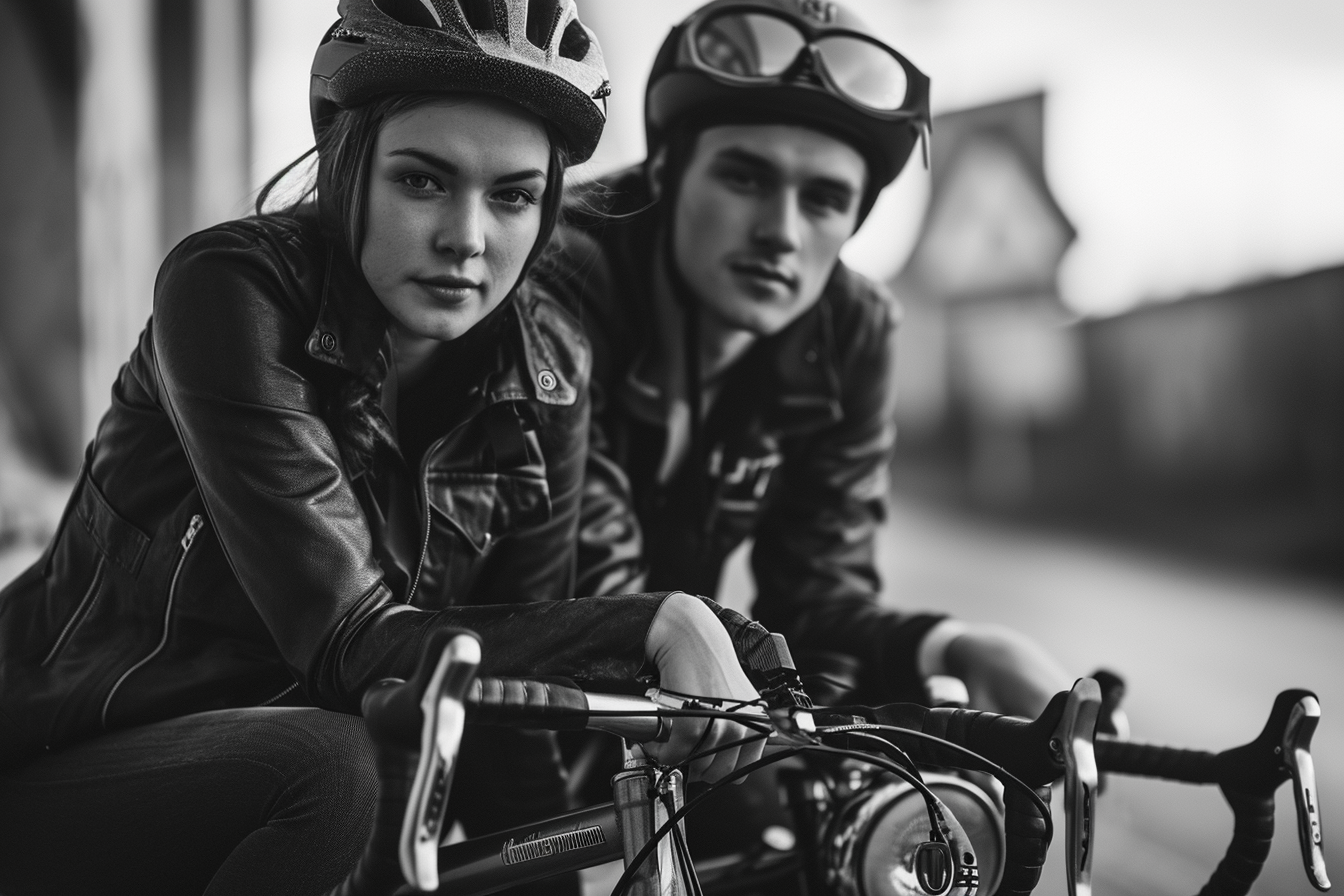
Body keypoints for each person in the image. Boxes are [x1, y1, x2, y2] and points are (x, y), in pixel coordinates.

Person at [0, 2, 765, 894]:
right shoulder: (229, 291)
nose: (467, 240)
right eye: (423, 182)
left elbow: (501, 728)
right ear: (348, 166)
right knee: (335, 766)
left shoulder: (550, 368)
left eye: (513, 195)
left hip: (292, 818)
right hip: (57, 761)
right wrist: (659, 620)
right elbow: (350, 642)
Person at [543, 0, 1072, 718]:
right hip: (509, 693)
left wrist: (947, 646)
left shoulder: (853, 325)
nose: (782, 233)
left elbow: (818, 595)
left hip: (666, 677)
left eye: (824, 199)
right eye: (745, 178)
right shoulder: (559, 262)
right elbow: (582, 579)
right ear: (666, 168)